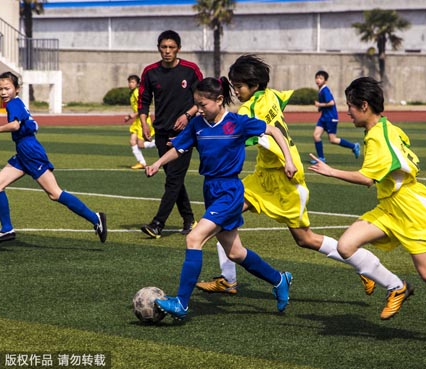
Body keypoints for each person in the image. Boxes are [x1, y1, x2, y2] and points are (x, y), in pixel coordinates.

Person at [308, 76, 426, 348]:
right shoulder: (384, 126)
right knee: (347, 246)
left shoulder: (378, 138)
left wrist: (330, 171)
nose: (346, 112)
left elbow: (367, 179)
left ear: (363, 105)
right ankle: (397, 287)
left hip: (411, 209)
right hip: (390, 207)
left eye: (350, 106)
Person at [196, 55, 375, 296]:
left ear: (254, 86)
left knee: (305, 239)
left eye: (239, 86)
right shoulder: (273, 95)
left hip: (285, 179)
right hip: (263, 177)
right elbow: (283, 99)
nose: (236, 91)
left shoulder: (249, 109)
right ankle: (228, 279)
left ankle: (362, 264)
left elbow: (239, 136)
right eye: (234, 86)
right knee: (220, 216)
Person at [146, 77, 296, 320]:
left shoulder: (237, 123)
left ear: (219, 100)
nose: (199, 109)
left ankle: (182, 304)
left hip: (229, 191)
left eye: (203, 104)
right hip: (211, 190)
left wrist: (288, 160)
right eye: (196, 104)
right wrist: (157, 163)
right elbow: (180, 148)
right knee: (235, 252)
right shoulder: (197, 124)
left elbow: (274, 130)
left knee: (194, 237)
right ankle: (280, 279)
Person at [0, 71, 107, 244]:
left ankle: (96, 219)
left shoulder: (13, 104)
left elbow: (15, 125)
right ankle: (7, 229)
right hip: (23, 152)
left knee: (55, 193)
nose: (3, 92)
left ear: (17, 89)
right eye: (0, 89)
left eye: (7, 88)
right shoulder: (16, 103)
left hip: (31, 152)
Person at [138, 30, 203, 238]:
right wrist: (144, 123)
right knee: (174, 178)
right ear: (159, 48)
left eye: (171, 47)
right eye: (164, 47)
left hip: (186, 133)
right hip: (161, 132)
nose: (167, 51)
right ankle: (189, 219)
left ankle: (157, 224)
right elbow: (144, 100)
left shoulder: (190, 70)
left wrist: (187, 115)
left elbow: (202, 98)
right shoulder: (150, 72)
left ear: (178, 49)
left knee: (173, 180)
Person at [310, 70, 360, 164]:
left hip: (331, 117)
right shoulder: (321, 90)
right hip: (324, 117)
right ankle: (321, 158)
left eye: (321, 78)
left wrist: (320, 104)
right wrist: (321, 108)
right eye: (317, 77)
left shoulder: (325, 90)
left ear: (325, 80)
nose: (318, 80)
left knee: (332, 139)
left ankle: (354, 146)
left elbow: (331, 102)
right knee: (316, 135)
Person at [124, 74, 156, 170]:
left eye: (133, 82)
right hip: (137, 121)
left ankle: (160, 142)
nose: (130, 84)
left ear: (137, 84)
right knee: (132, 141)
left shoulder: (137, 92)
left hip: (143, 120)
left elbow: (143, 107)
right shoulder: (132, 92)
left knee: (141, 145)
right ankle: (141, 163)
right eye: (129, 82)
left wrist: (131, 115)